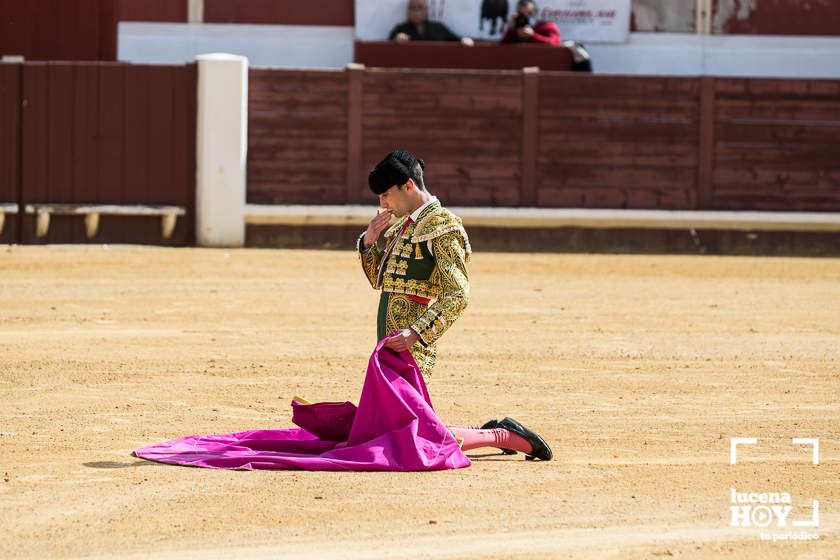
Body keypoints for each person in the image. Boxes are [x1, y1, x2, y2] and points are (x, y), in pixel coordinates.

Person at [357, 149, 552, 461]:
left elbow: (458, 293)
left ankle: (504, 435)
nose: (382, 204)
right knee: (395, 431)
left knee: (408, 436)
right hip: (389, 338)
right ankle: (495, 433)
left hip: (411, 342)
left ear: (408, 186)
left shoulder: (444, 227)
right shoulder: (399, 226)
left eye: (385, 195)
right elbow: (379, 280)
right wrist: (369, 242)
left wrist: (416, 333)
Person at [389, 0, 475, 46]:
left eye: (420, 8)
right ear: (408, 11)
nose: (416, 12)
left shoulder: (438, 28)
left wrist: (464, 40)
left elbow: (456, 40)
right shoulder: (401, 29)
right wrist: (396, 40)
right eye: (412, 8)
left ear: (426, 11)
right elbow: (387, 46)